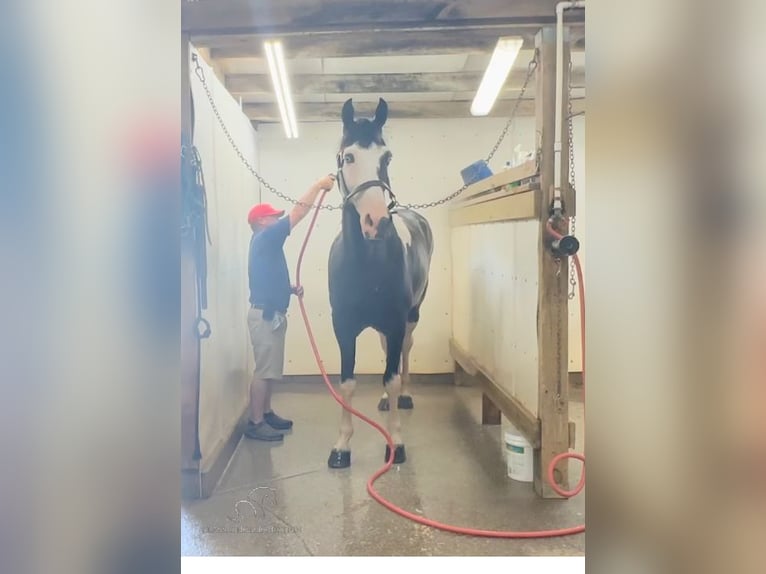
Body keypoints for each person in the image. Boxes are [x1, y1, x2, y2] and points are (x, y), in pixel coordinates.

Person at [244, 173, 336, 441]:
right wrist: (317, 185)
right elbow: (298, 212)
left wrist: (289, 289)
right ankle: (255, 422)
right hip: (265, 316)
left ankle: (267, 413)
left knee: (270, 370)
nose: (277, 219)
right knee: (263, 371)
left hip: (270, 314)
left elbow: (265, 277)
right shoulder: (265, 238)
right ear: (261, 221)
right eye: (272, 216)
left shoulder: (264, 244)